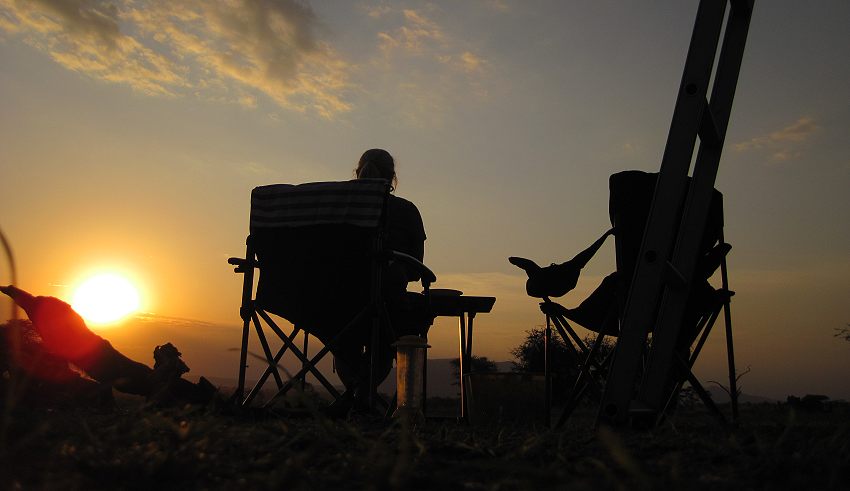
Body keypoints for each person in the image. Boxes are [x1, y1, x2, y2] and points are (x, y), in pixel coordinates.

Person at [331, 149, 432, 407]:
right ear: (392, 178)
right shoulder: (406, 210)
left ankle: (353, 396)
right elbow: (415, 267)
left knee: (344, 333)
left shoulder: (336, 207)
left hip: (334, 308)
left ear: (357, 172)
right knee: (392, 329)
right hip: (388, 308)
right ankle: (364, 394)